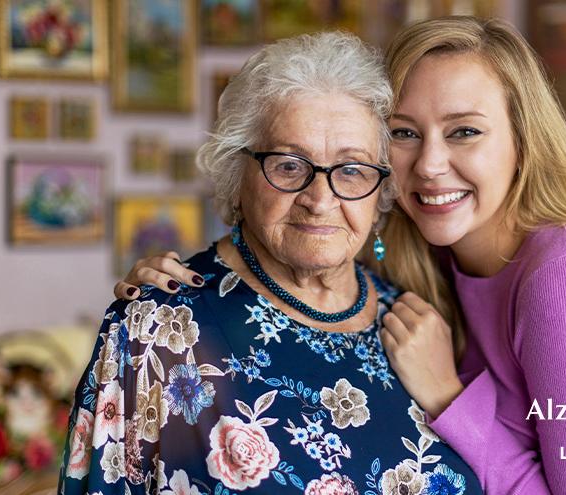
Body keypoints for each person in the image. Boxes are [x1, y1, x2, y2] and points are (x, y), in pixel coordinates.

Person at [114, 17, 566, 495]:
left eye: (464, 131)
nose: (429, 165)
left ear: (523, 141)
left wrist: (450, 399)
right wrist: (175, 290)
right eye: (403, 133)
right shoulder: (429, 266)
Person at [59, 32, 481, 495]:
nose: (320, 200)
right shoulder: (158, 330)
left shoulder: (416, 320)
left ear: (383, 191)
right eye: (288, 165)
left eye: (352, 169)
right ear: (237, 175)